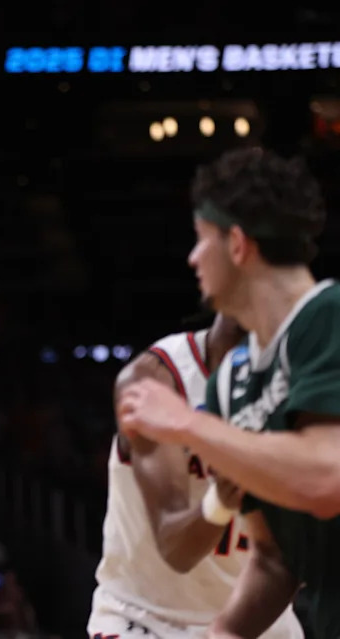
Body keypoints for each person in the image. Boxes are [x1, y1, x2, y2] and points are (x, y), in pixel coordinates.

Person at [118, 147, 340, 638]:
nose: (192, 258)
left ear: (237, 245)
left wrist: (188, 424)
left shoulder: (330, 316)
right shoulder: (232, 382)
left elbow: (328, 478)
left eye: (201, 241)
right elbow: (272, 559)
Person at [89, 313, 303, 638]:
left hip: (259, 617)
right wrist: (222, 498)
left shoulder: (308, 388)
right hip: (146, 617)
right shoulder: (158, 378)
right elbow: (177, 548)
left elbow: (293, 559)